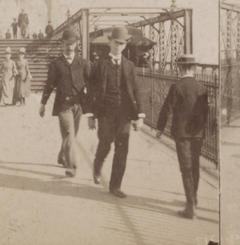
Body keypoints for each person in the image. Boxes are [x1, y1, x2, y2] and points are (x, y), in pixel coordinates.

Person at [85, 26, 145, 198]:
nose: (118, 46)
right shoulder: (99, 64)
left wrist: (139, 117)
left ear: (125, 45)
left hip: (124, 115)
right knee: (105, 144)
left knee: (122, 150)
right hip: (105, 113)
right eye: (115, 42)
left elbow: (137, 91)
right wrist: (90, 116)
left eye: (122, 43)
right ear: (110, 42)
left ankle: (115, 186)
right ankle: (97, 164)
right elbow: (91, 90)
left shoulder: (130, 66)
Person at [156, 54, 209, 219]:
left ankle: (190, 207)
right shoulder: (202, 88)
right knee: (194, 165)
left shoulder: (176, 86)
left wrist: (160, 128)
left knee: (185, 169)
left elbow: (167, 108)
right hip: (198, 133)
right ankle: (194, 198)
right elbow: (206, 112)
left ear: (179, 68)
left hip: (182, 134)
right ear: (194, 68)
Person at [40, 29, 91, 178]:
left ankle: (62, 154)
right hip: (63, 106)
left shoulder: (83, 63)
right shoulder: (56, 64)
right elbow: (49, 84)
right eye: (66, 44)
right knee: (69, 133)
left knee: (72, 135)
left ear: (76, 45)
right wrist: (43, 103)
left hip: (78, 105)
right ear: (62, 44)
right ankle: (71, 166)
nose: (69, 47)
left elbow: (92, 83)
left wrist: (93, 104)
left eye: (72, 44)